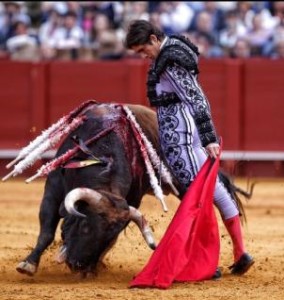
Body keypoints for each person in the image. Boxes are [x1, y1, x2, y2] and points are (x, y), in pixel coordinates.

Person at [125, 19, 254, 278]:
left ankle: (203, 262)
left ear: (153, 39)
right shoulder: (170, 54)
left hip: (179, 138)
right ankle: (240, 253)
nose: (143, 56)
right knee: (213, 190)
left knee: (195, 197)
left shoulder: (169, 60)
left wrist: (209, 137)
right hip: (185, 132)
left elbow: (196, 97)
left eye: (143, 50)